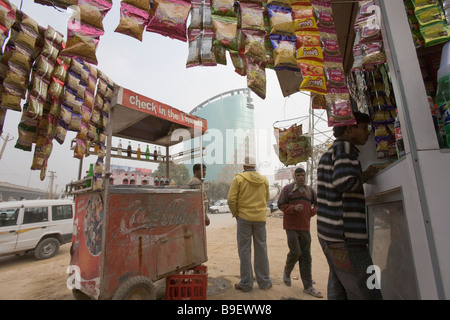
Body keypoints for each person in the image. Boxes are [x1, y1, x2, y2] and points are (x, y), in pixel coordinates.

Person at [316, 111, 383, 300]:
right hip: (346, 236)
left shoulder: (330, 152)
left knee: (339, 286)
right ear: (349, 128)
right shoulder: (345, 147)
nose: (367, 133)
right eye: (363, 128)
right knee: (369, 290)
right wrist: (366, 175)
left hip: (329, 233)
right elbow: (343, 182)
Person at [227, 155, 272, 292]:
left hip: (244, 218)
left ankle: (246, 283)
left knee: (244, 250)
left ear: (244, 166)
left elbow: (231, 200)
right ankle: (264, 282)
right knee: (261, 249)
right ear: (254, 166)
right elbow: (267, 198)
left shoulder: (238, 179)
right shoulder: (264, 179)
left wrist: (236, 214)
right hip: (260, 219)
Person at [278, 167, 323, 298]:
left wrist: (311, 212)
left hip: (305, 227)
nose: (301, 177)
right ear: (294, 176)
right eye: (298, 175)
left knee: (306, 257)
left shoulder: (310, 191)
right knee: (296, 252)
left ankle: (308, 287)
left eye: (303, 175)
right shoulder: (287, 189)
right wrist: (293, 208)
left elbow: (317, 204)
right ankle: (287, 270)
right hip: (291, 226)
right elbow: (281, 205)